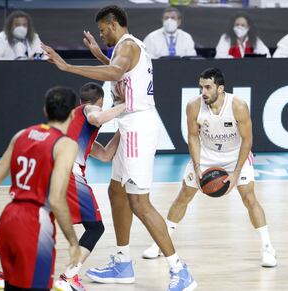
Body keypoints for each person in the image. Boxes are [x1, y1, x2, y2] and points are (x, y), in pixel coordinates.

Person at [41, 5, 197, 291]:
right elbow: (118, 72)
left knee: (139, 201)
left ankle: (179, 269)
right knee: (116, 190)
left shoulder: (126, 47)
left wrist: (66, 66)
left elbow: (115, 69)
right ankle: (123, 262)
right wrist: (99, 56)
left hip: (137, 126)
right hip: (128, 124)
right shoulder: (129, 49)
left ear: (113, 25)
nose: (102, 36)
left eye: (102, 31)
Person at [142, 68, 277, 268]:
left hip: (235, 154)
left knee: (249, 198)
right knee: (183, 196)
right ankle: (161, 243)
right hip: (206, 154)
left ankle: (268, 248)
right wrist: (197, 167)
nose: (203, 91)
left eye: (207, 87)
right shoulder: (193, 106)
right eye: (201, 87)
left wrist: (236, 173)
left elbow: (248, 140)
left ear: (220, 89)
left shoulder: (238, 106)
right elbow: (193, 136)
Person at [0, 87, 81, 290]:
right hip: (35, 223)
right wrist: (73, 242)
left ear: (45, 109)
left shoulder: (21, 135)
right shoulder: (65, 145)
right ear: (73, 113)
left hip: (8, 218)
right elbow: (57, 200)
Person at [53, 82, 125, 291]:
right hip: (69, 172)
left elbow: (104, 155)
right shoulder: (89, 110)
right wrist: (126, 104)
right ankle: (69, 276)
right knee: (95, 227)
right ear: (100, 102)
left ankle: (6, 273)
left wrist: (122, 130)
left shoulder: (74, 123)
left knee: (40, 224)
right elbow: (97, 117)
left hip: (51, 171)